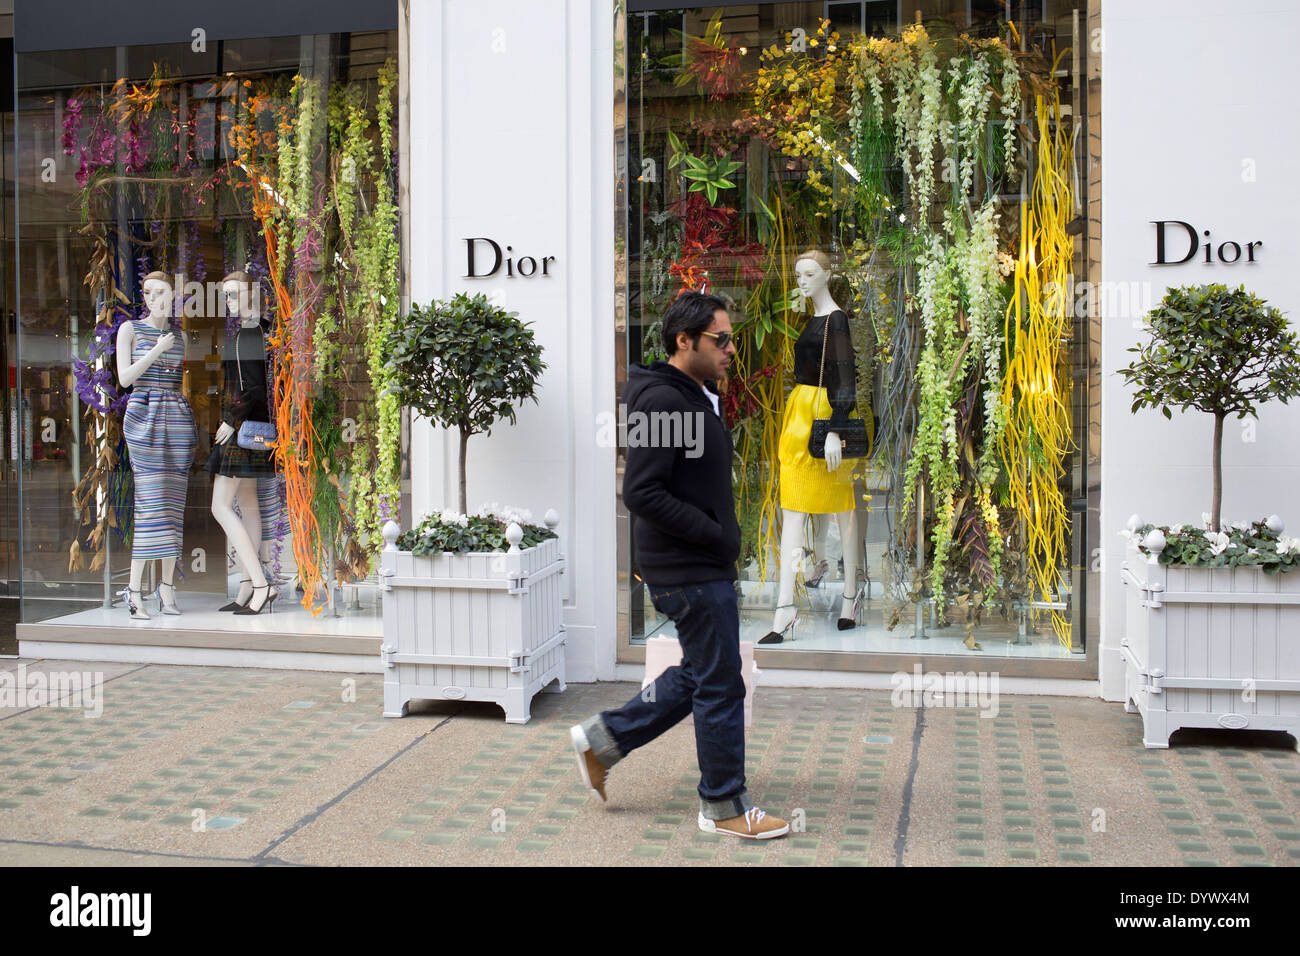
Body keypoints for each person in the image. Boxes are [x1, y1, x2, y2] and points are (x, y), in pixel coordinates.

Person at [570, 290, 789, 840]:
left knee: (702, 672)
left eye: (731, 338)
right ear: (683, 341)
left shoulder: (694, 393)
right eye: (721, 339)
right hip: (690, 570)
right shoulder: (663, 402)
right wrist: (714, 536)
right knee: (720, 686)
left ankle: (603, 741)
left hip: (695, 564)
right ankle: (724, 806)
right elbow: (642, 491)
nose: (732, 348)